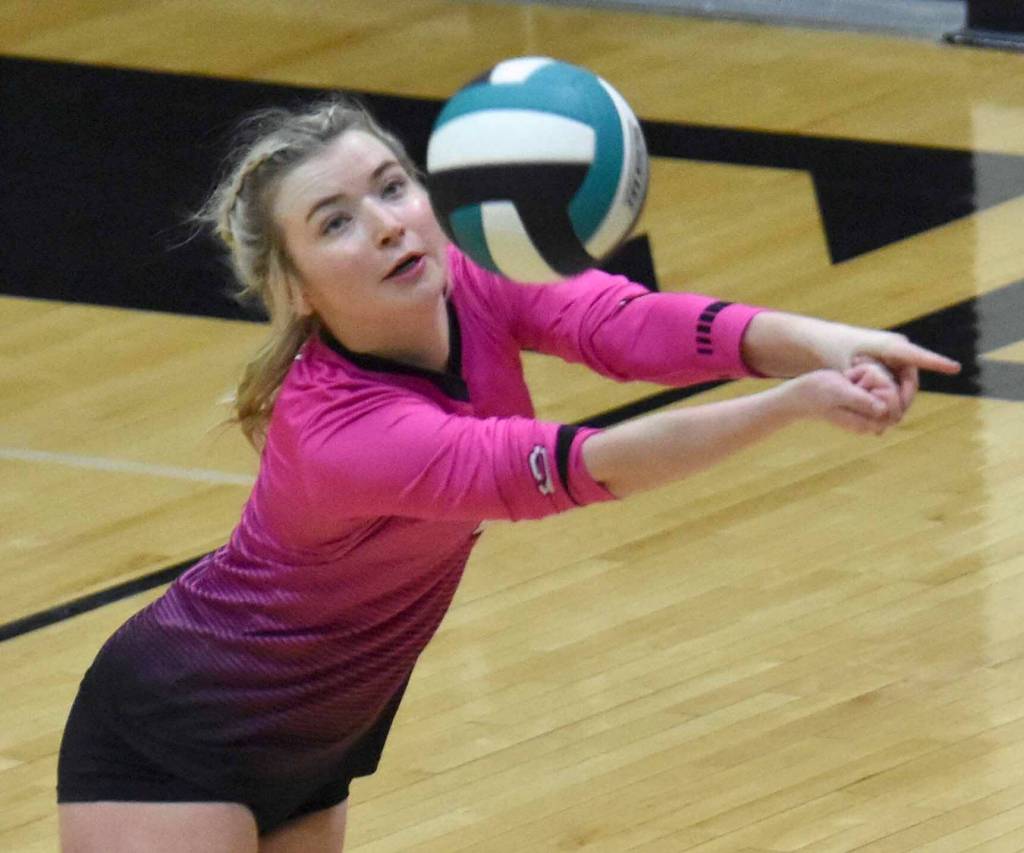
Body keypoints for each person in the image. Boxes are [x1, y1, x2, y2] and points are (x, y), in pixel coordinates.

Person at [56, 96, 961, 853]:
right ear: (296, 290)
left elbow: (627, 323)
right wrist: (792, 401)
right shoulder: (341, 429)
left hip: (321, 728)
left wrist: (830, 341)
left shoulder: (474, 283)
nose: (385, 225)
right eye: (336, 222)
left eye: (392, 188)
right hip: (177, 729)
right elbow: (580, 467)